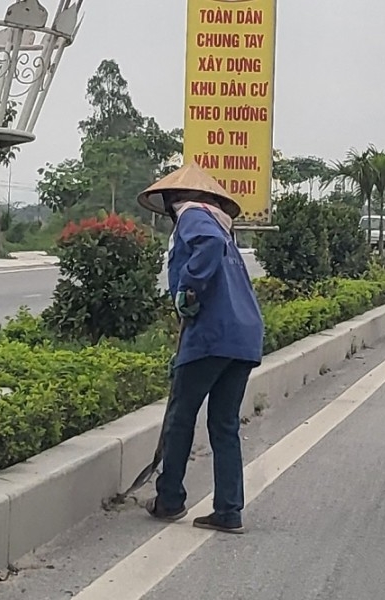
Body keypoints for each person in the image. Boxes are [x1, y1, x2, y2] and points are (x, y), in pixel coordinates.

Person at [136, 162, 264, 534]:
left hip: (212, 334)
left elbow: (201, 251)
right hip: (243, 335)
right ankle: (228, 509)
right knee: (224, 425)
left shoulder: (194, 216)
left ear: (176, 198)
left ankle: (170, 499)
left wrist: (188, 289)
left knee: (180, 417)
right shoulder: (223, 226)